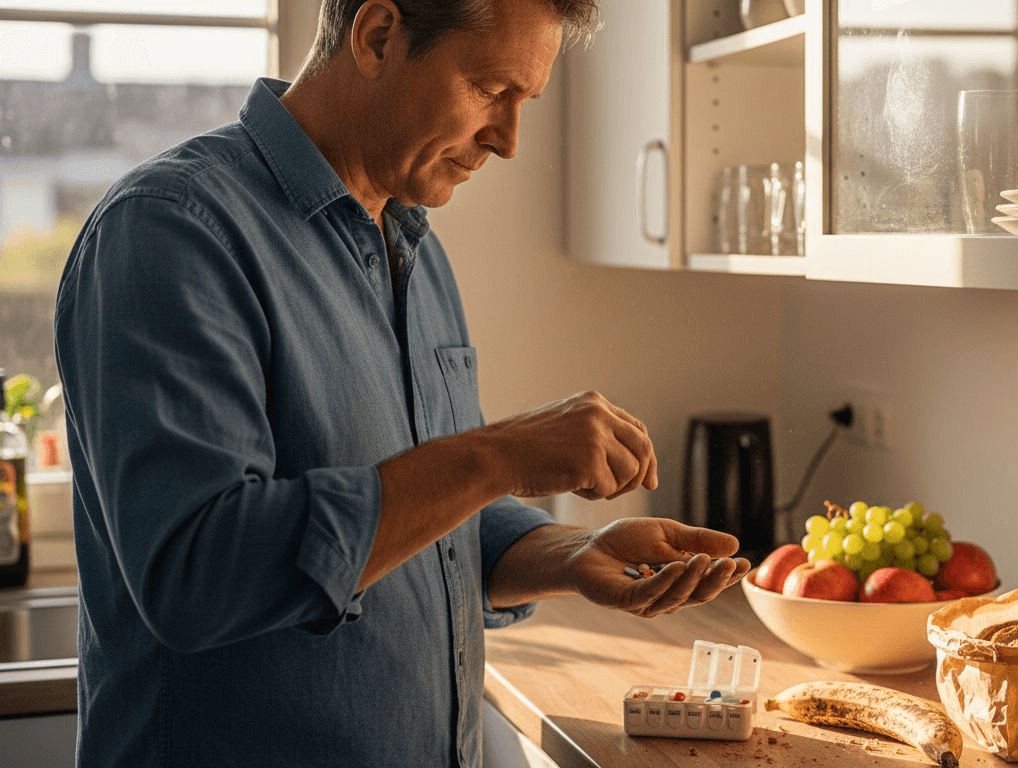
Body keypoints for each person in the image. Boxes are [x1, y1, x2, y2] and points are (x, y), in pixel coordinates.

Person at [53, 0, 750, 765]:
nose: (509, 141)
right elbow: (198, 573)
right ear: (378, 36)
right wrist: (502, 454)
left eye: (525, 103)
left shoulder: (411, 243)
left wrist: (568, 554)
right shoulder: (172, 231)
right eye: (490, 89)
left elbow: (418, 518)